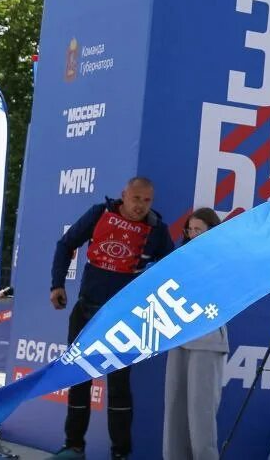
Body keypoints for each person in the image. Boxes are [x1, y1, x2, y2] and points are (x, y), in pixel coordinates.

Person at [50, 177, 173, 460]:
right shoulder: (99, 213)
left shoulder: (157, 230)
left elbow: (170, 270)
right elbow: (66, 244)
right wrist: (57, 284)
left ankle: (120, 453)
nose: (141, 205)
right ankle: (74, 446)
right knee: (78, 379)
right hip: (87, 310)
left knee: (118, 387)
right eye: (136, 198)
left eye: (147, 200)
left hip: (125, 320)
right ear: (124, 195)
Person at [163, 208, 227, 460]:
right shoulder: (180, 260)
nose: (192, 234)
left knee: (201, 419)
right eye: (190, 230)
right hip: (179, 340)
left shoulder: (223, 261)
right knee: (175, 416)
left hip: (207, 343)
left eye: (198, 229)